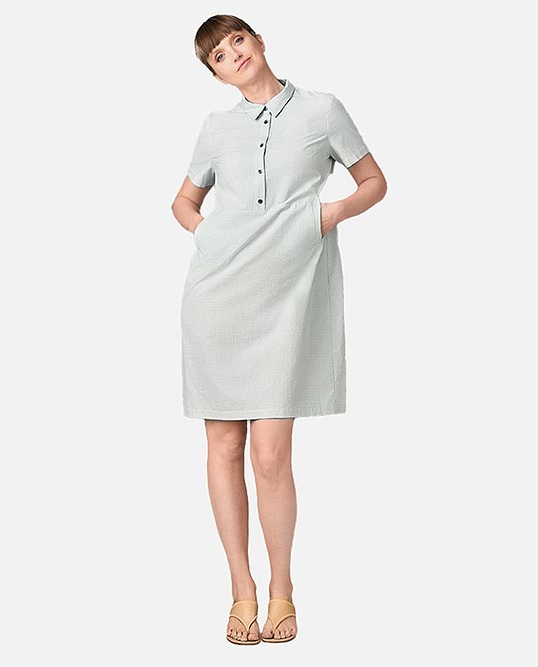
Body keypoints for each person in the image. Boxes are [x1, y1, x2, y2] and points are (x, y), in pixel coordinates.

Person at [170, 15, 387, 645]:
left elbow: (374, 181)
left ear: (259, 42)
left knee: (270, 453)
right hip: (217, 299)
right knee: (223, 447)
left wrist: (326, 215)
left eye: (237, 40)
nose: (232, 54)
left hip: (288, 297)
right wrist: (209, 233)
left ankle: (282, 590)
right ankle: (241, 589)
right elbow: (183, 201)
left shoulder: (322, 110)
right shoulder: (217, 129)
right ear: (215, 74)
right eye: (217, 55)